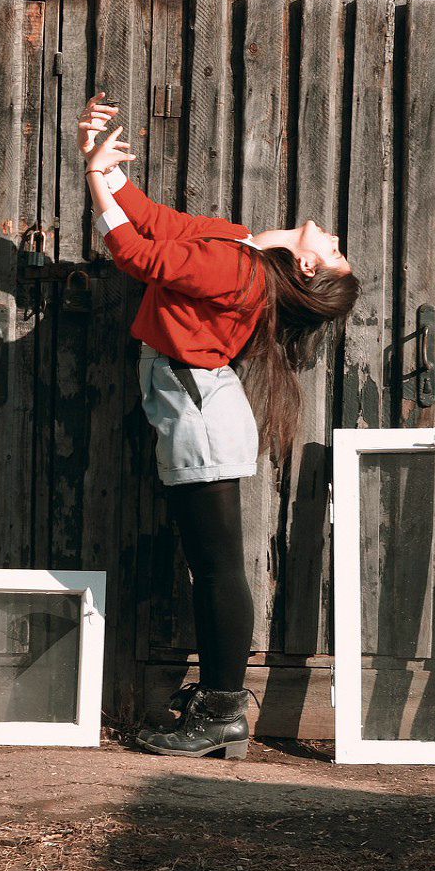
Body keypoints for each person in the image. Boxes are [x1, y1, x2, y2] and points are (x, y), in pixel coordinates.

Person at [77, 93, 360, 758]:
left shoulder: (239, 273)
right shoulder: (239, 247)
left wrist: (94, 175)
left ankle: (222, 712)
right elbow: (153, 222)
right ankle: (219, 710)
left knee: (217, 569)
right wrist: (99, 156)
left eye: (337, 253)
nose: (337, 239)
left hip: (200, 412)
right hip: (197, 404)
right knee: (214, 566)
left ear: (310, 266)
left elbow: (135, 255)